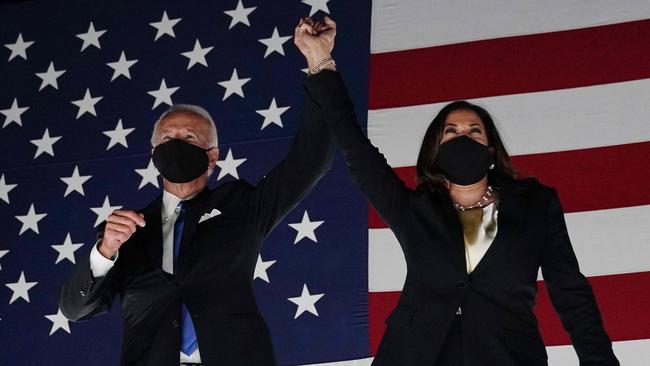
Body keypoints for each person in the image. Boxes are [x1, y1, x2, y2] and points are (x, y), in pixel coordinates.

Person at [296, 17, 619, 366]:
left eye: (473, 131)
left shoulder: (537, 206)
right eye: (450, 131)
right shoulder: (414, 209)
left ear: (491, 149)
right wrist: (320, 60)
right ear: (436, 150)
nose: (462, 137)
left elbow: (571, 293)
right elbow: (357, 150)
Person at [58, 25, 336, 364]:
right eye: (167, 139)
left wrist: (320, 63)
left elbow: (312, 159)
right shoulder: (125, 232)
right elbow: (74, 309)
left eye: (189, 138)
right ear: (152, 153)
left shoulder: (240, 207)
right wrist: (104, 251)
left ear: (213, 156)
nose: (176, 144)